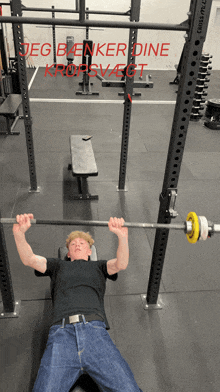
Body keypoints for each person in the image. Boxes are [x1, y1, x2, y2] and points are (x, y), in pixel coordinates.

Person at [13, 214, 143, 392]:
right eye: (73, 244)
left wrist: (122, 236)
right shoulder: (58, 266)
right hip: (61, 335)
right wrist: (19, 235)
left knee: (128, 389)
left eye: (83, 243)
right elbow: (30, 259)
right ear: (68, 253)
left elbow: (121, 263)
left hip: (95, 333)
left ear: (90, 251)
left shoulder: (99, 266)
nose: (78, 245)